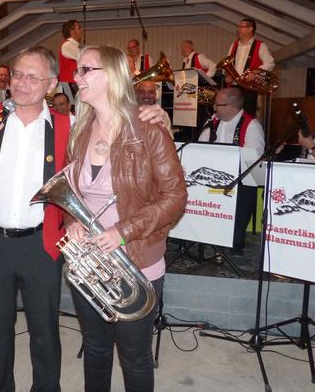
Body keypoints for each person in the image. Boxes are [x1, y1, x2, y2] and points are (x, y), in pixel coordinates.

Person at [0, 45, 174, 392]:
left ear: (51, 85)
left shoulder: (70, 126)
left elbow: (110, 140)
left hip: (43, 245)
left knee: (45, 333)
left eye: (32, 77)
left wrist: (157, 117)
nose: (20, 83)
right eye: (16, 74)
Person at [65, 45, 188, 391]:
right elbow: (70, 193)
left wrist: (122, 232)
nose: (76, 77)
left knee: (134, 357)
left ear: (111, 75)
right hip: (89, 263)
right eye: (77, 70)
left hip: (135, 261)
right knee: (95, 348)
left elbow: (176, 197)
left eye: (85, 69)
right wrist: (71, 221)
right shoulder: (79, 131)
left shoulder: (147, 128)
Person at [198, 87, 265, 255]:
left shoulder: (251, 125)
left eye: (218, 105)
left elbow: (253, 158)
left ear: (232, 106)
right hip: (215, 176)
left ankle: (235, 241)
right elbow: (199, 148)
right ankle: (203, 234)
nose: (214, 108)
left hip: (240, 179)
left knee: (245, 190)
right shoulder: (212, 122)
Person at [225, 18, 274, 116]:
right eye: (238, 27)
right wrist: (227, 75)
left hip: (249, 88)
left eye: (241, 27)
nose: (238, 29)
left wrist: (255, 72)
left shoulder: (261, 45)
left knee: (247, 116)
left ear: (250, 29)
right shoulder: (234, 45)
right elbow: (227, 64)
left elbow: (270, 63)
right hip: (233, 87)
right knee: (232, 115)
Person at [58, 19, 83, 100]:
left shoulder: (72, 45)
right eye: (79, 28)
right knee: (72, 105)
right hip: (69, 83)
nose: (81, 30)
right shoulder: (68, 45)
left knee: (75, 105)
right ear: (72, 32)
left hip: (72, 83)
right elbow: (83, 58)